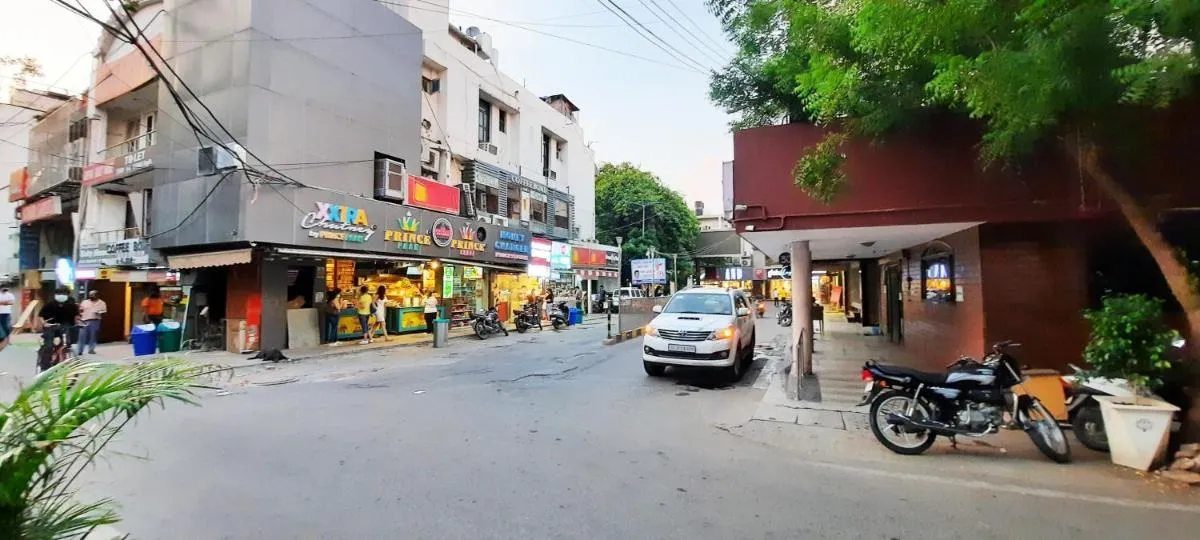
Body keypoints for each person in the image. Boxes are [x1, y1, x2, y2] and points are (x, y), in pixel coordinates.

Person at [37, 288, 79, 371]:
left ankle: (63, 359)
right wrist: (44, 323)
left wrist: (78, 323)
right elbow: (41, 316)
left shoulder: (72, 305)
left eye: (64, 294)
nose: (61, 295)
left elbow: (76, 317)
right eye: (59, 293)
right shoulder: (50, 305)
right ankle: (44, 367)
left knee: (66, 344)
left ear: (67, 295)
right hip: (51, 326)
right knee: (48, 346)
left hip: (65, 327)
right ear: (55, 295)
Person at [77, 290, 107, 355]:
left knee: (93, 336)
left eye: (93, 295)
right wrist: (80, 314)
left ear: (97, 295)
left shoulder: (102, 303)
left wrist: (100, 313)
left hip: (95, 320)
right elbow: (80, 310)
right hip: (84, 320)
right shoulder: (85, 302)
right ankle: (80, 350)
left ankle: (91, 349)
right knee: (82, 336)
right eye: (90, 295)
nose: (91, 296)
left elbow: (104, 312)